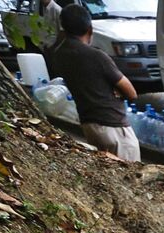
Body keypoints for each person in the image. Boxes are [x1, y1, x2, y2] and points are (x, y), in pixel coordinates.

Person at [48, 3, 139, 162]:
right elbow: (132, 93)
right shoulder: (97, 56)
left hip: (90, 125)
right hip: (114, 127)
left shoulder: (59, 54)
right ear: (90, 29)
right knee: (130, 177)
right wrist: (116, 91)